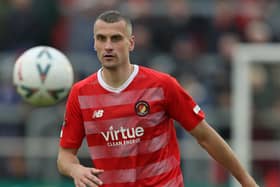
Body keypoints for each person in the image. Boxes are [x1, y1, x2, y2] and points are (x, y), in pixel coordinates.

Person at [57, 10, 259, 187]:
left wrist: (246, 181)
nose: (108, 46)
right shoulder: (81, 93)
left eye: (116, 38)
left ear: (131, 43)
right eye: (101, 38)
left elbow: (206, 137)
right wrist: (76, 170)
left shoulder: (162, 85)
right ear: (94, 43)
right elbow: (65, 156)